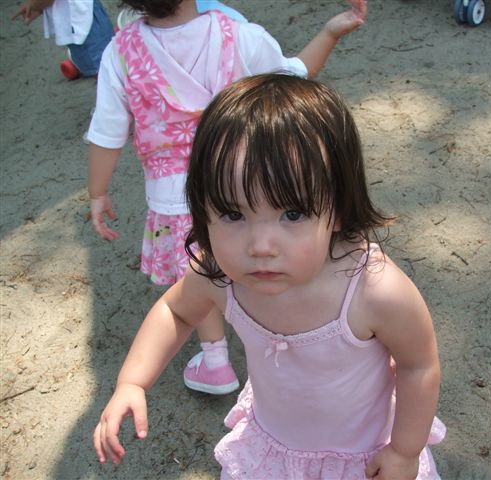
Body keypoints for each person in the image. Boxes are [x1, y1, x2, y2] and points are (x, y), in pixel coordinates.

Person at [93, 73, 445, 480]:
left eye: (292, 214)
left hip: (363, 459)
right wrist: (132, 381)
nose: (260, 245)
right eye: (232, 214)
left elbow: (418, 365)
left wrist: (404, 451)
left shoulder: (373, 289)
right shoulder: (219, 275)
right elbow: (176, 311)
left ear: (338, 209)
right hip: (274, 454)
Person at [86, 0, 367, 397]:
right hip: (247, 183)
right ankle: (292, 329)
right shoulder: (238, 35)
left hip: (173, 196)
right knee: (267, 251)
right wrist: (330, 33)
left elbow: (107, 129)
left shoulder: (121, 52)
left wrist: (97, 192)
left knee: (200, 272)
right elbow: (293, 77)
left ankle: (215, 360)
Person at [11, 0, 114, 80]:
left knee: (104, 72)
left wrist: (33, 5)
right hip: (82, 16)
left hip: (81, 23)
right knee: (107, 68)